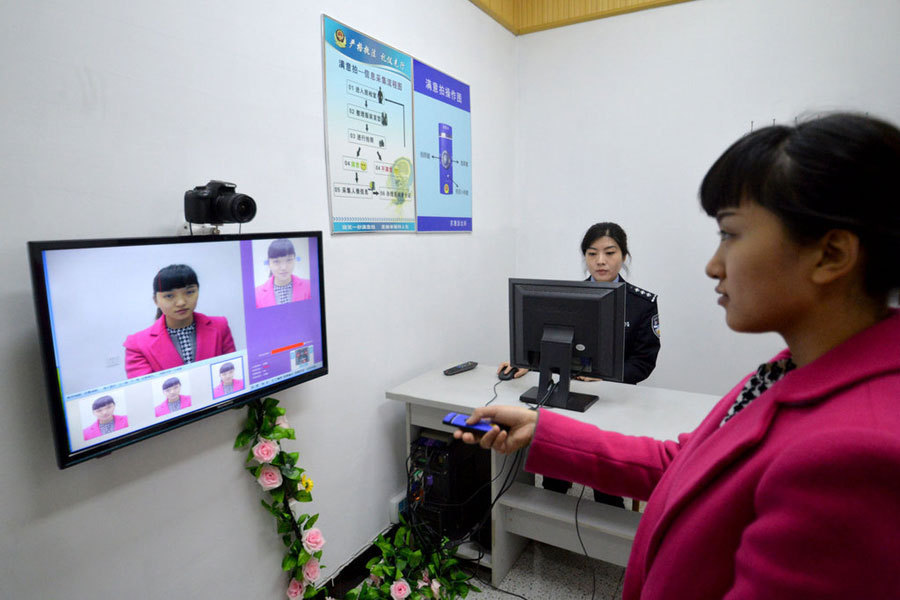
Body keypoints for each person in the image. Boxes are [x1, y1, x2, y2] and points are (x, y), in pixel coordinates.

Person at [457, 113, 900, 599]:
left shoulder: (860, 455)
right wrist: (542, 429)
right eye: (592, 253)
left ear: (831, 254)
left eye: (731, 234)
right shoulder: (785, 371)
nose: (713, 265)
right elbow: (683, 463)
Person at [499, 222, 661, 507]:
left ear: (624, 256)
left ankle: (608, 515)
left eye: (610, 252)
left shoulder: (641, 303)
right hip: (569, 395)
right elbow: (550, 342)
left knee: (605, 482)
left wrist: (607, 376)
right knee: (555, 472)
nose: (600, 261)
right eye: (592, 253)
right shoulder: (567, 297)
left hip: (613, 401)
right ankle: (550, 511)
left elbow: (644, 362)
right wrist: (528, 362)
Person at [123, 264, 236, 378]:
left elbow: (232, 370)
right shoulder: (137, 345)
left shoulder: (220, 326)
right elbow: (147, 387)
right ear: (156, 300)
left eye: (189, 292)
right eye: (169, 296)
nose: (181, 302)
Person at [255, 239, 311, 308]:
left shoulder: (309, 286)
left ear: (294, 259)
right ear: (269, 263)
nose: (283, 267)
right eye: (276, 261)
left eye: (289, 260)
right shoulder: (256, 294)